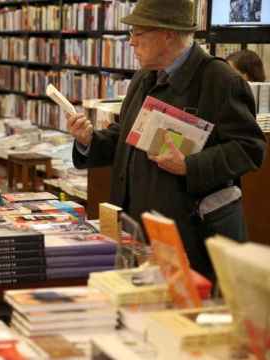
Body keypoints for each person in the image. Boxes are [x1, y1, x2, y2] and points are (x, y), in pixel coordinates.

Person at [66, 0, 267, 278]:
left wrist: (190, 165)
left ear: (168, 33)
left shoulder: (220, 80)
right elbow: (127, 134)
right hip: (139, 230)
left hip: (190, 237)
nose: (131, 43)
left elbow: (249, 149)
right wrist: (89, 140)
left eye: (138, 33)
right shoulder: (144, 77)